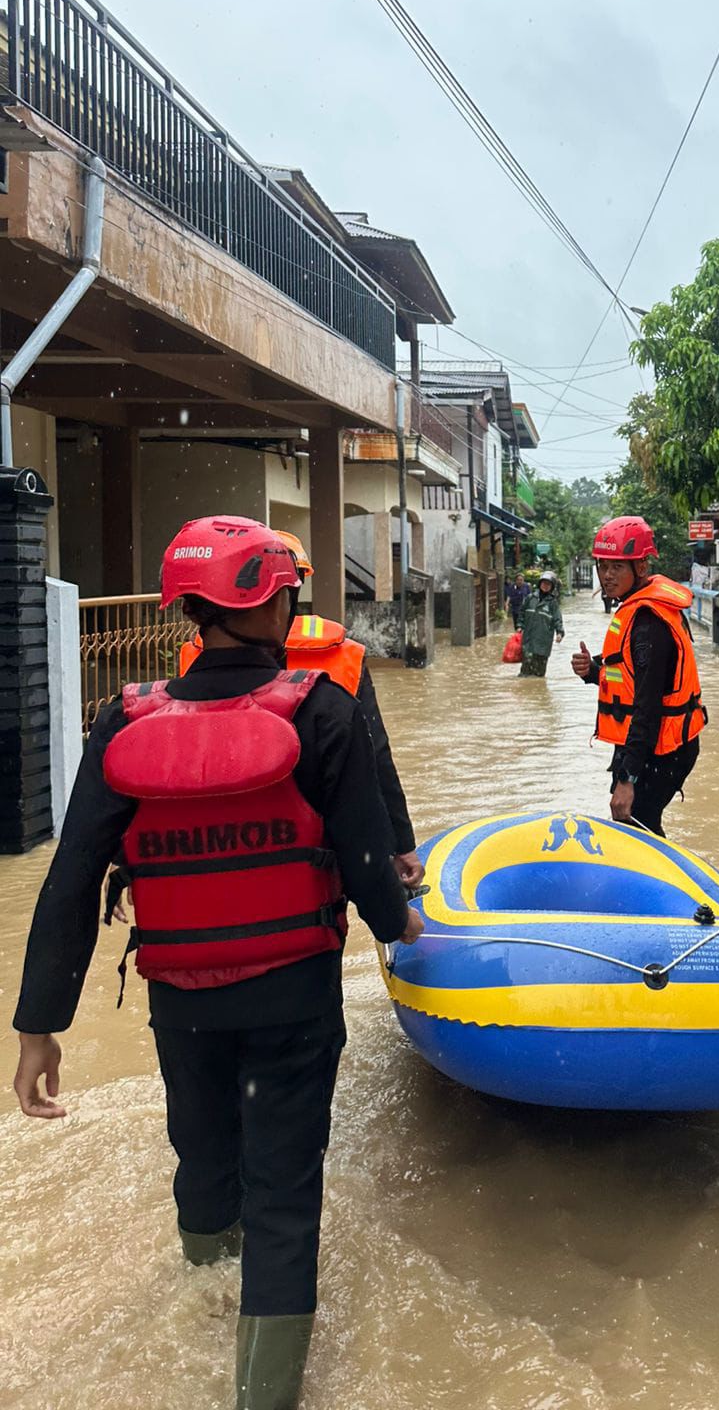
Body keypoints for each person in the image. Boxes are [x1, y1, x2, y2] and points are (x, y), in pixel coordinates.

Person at [12, 516, 423, 1409]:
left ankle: (202, 1297)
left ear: (190, 609)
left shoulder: (123, 720)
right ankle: (260, 1393)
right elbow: (366, 864)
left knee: (201, 1158)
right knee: (283, 1194)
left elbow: (73, 876)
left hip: (183, 1004)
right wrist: (404, 927)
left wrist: (40, 1024)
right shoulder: (323, 711)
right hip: (294, 1000)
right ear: (273, 605)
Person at [180, 528, 424, 887]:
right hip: (318, 846)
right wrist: (401, 844)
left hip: (216, 845)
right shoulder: (342, 656)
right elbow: (376, 758)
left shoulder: (199, 655)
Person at [571, 516, 706, 836]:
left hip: (663, 748)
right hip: (652, 744)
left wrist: (627, 778)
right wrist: (593, 672)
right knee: (637, 826)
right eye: (602, 566)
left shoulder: (649, 624)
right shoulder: (637, 610)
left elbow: (647, 707)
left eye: (617, 567)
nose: (607, 575)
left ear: (641, 567)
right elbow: (630, 679)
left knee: (635, 825)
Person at [519, 570, 564, 677]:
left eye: (548, 584)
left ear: (552, 587)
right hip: (528, 640)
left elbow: (557, 619)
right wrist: (519, 626)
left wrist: (559, 633)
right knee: (525, 672)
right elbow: (521, 613)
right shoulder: (530, 598)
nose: (545, 586)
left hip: (543, 643)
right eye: (544, 583)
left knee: (539, 674)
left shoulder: (553, 603)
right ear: (540, 584)